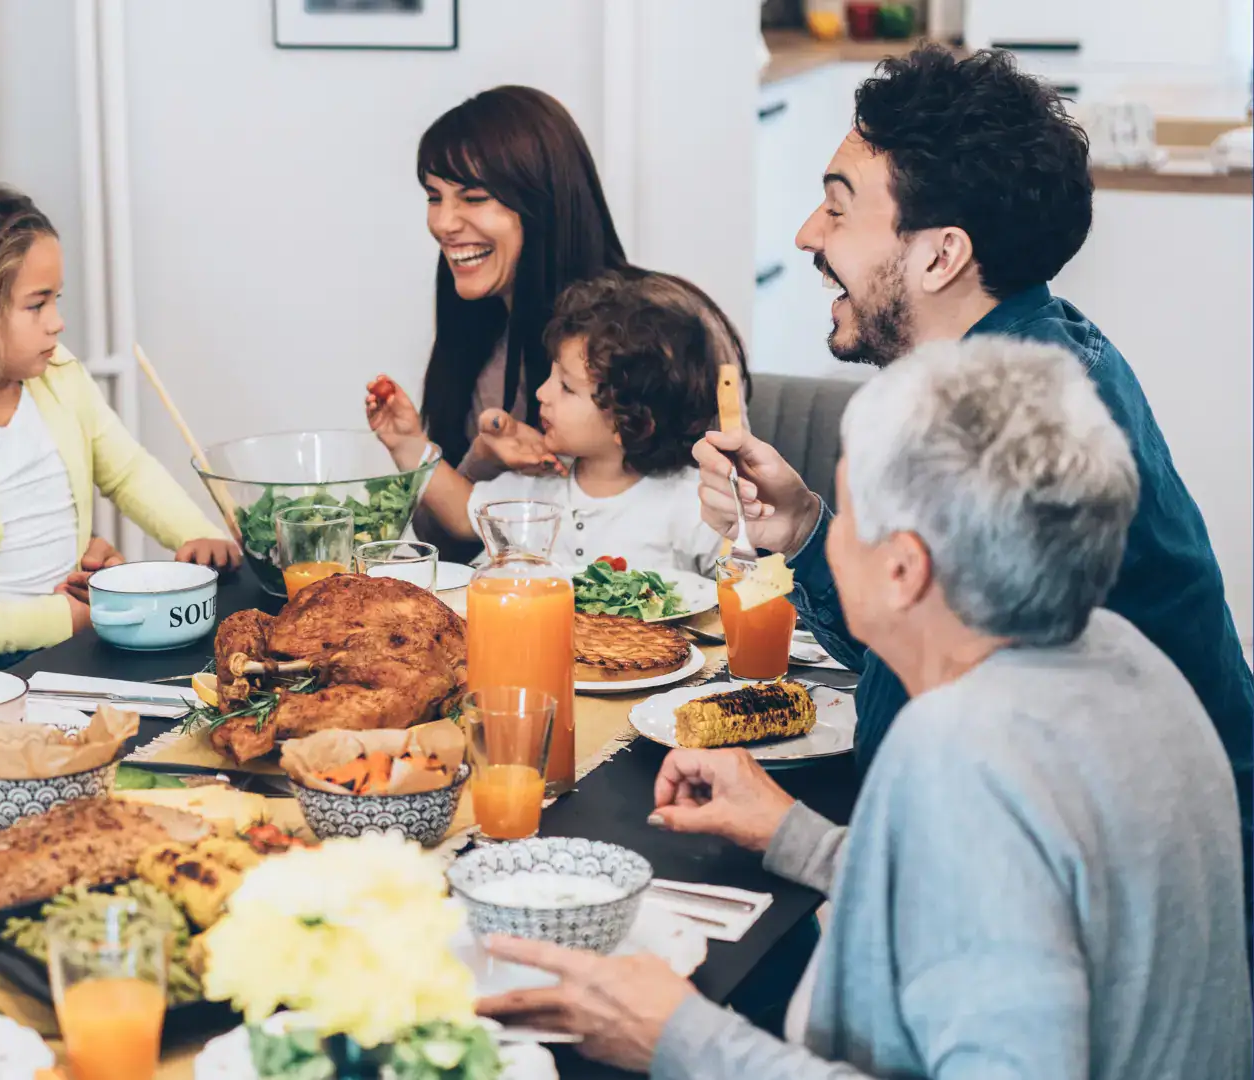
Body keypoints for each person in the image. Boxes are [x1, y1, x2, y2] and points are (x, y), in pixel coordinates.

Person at [479, 337, 1254, 1077]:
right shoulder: (1125, 659)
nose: (833, 544)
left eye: (850, 518)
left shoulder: (967, 748)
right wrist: (799, 838)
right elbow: (1006, 904)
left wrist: (676, 1036)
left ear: (905, 570)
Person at [693, 47, 1254, 849]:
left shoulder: (1003, 446)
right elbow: (926, 644)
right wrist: (805, 528)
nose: (808, 233)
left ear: (941, 254)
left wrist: (790, 833)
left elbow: (984, 846)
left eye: (840, 209)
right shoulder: (1032, 363)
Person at [0, 185, 237, 687]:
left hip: (65, 633)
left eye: (55, 301)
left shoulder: (61, 378)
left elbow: (128, 471)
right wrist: (63, 618)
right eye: (36, 305)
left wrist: (195, 534)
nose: (57, 323)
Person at [403, 85, 743, 559]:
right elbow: (435, 541)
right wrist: (481, 459)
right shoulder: (477, 338)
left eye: (474, 197)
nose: (443, 223)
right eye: (433, 197)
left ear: (542, 203)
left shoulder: (661, 331)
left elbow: (734, 531)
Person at [369, 271, 734, 573]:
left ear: (632, 422)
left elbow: (742, 587)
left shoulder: (693, 504)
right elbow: (462, 515)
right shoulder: (539, 487)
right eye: (551, 376)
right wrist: (408, 443)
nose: (542, 394)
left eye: (566, 387)